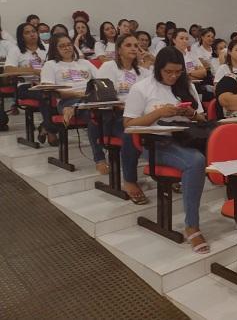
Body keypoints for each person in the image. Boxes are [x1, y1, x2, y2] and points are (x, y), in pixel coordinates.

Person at [123, 46, 210, 253]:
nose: (173, 76)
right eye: (168, 72)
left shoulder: (186, 85)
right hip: (155, 143)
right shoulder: (142, 88)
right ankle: (192, 225)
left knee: (222, 150)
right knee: (196, 161)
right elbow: (128, 124)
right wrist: (158, 113)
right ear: (157, 68)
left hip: (185, 139)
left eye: (177, 72)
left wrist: (191, 113)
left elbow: (202, 118)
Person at [40, 33, 107, 173]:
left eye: (69, 44)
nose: (66, 48)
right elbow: (50, 90)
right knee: (94, 114)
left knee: (106, 112)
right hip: (67, 100)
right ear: (55, 49)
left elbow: (102, 81)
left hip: (90, 98)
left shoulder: (84, 62)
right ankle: (100, 159)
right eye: (62, 46)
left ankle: (75, 108)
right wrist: (76, 94)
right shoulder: (51, 65)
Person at [98, 34, 152, 204]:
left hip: (142, 116)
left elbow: (151, 96)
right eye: (128, 45)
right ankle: (129, 180)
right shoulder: (109, 67)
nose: (134, 48)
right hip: (115, 117)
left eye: (136, 45)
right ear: (119, 49)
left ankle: (162, 172)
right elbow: (104, 97)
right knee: (131, 134)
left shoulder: (143, 72)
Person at [4, 23, 55, 143]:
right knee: (45, 95)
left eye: (33, 31)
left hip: (47, 84)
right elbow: (8, 69)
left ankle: (45, 127)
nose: (32, 34)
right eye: (27, 32)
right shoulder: (16, 50)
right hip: (25, 86)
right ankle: (52, 131)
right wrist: (32, 71)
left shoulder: (47, 48)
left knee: (54, 94)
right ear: (21, 36)